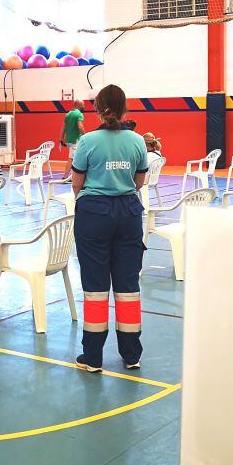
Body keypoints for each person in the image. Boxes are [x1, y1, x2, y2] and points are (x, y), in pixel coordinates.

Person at [71, 84, 148, 373]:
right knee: (128, 286)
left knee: (95, 286)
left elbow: (77, 183)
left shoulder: (88, 141)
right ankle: (131, 355)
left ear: (97, 109)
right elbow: (139, 182)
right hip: (128, 213)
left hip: (94, 214)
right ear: (124, 108)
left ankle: (92, 357)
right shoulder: (138, 141)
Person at [59, 100, 86, 178]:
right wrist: (85, 136)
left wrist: (61, 139)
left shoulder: (68, 114)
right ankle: (65, 177)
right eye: (83, 105)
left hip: (69, 141)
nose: (84, 107)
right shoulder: (79, 114)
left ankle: (73, 176)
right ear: (79, 105)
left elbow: (63, 128)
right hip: (76, 140)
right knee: (71, 158)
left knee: (75, 157)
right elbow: (80, 126)